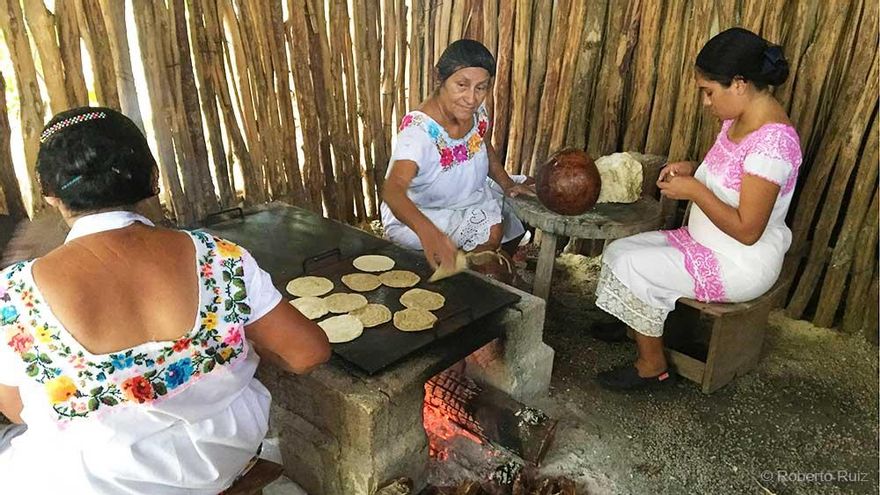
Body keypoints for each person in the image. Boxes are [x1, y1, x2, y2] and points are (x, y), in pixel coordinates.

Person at [0, 107, 331, 493]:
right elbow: (308, 353)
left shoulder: (14, 294)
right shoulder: (218, 258)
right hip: (218, 464)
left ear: (49, 193)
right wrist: (232, 351)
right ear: (153, 177)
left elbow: (17, 409)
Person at [594, 27, 802, 390]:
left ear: (739, 84)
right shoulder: (739, 118)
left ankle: (652, 367)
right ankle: (636, 322)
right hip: (706, 242)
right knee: (618, 252)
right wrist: (692, 169)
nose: (706, 102)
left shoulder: (773, 147)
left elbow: (748, 230)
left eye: (709, 91)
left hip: (739, 261)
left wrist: (694, 191)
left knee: (632, 266)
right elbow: (729, 175)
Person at [381, 39, 535, 274]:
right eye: (462, 85)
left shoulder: (474, 112)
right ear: (439, 78)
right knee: (493, 228)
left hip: (466, 194)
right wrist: (429, 233)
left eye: (481, 87)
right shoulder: (419, 133)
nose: (471, 98)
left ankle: (494, 262)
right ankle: (475, 275)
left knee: (525, 196)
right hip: (422, 213)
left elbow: (483, 145)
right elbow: (393, 191)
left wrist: (507, 184)